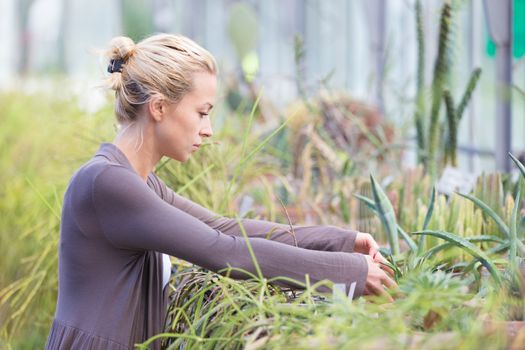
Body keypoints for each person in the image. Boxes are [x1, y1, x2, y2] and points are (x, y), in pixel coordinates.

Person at [45, 33, 396, 350]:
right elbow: (225, 252)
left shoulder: (138, 182)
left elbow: (227, 228)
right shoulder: (107, 184)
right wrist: (347, 271)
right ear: (159, 107)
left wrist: (340, 240)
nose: (208, 130)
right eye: (202, 113)